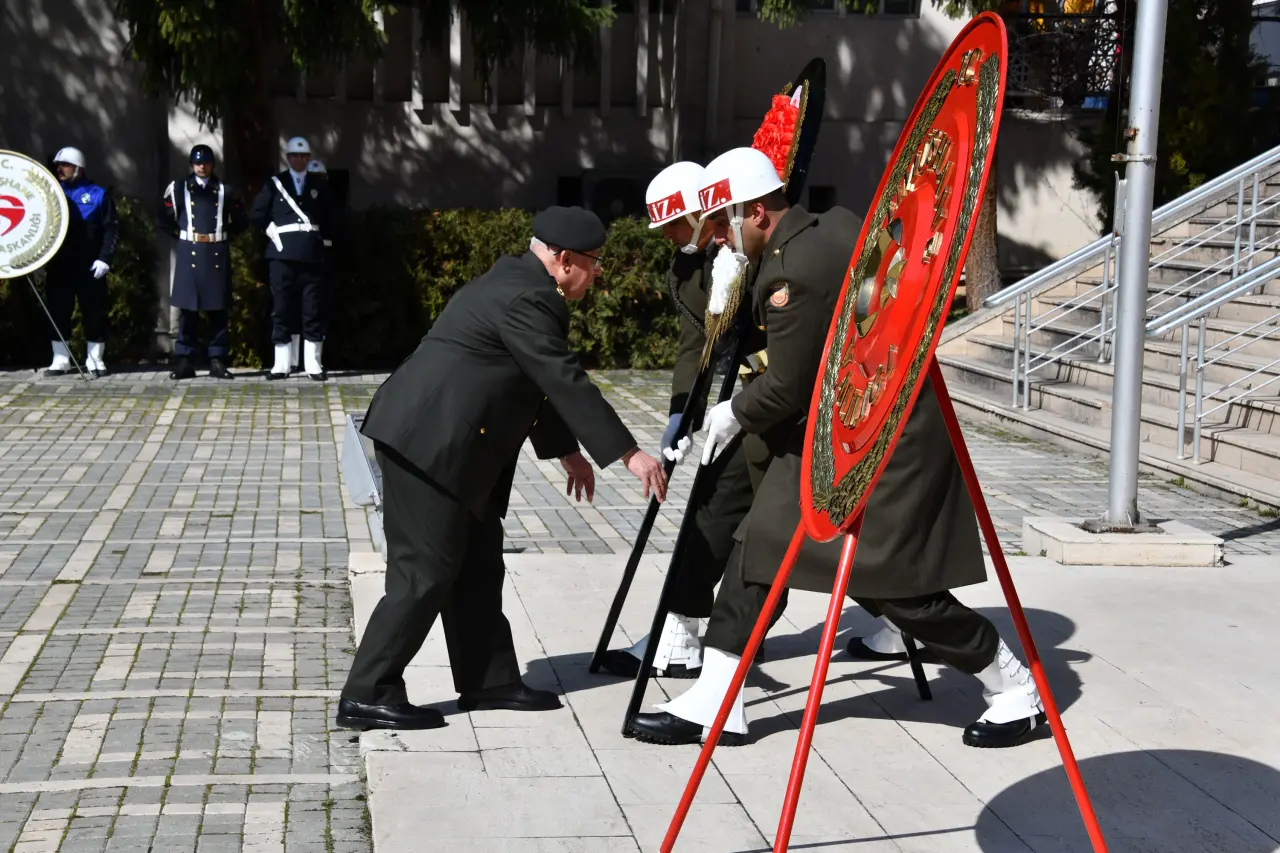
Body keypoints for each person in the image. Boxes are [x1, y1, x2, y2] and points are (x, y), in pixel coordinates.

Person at [628, 147, 1045, 750]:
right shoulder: (834, 224)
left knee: (894, 589)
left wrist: (730, 415)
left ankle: (1013, 685)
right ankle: (719, 700)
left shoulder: (787, 272)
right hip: (842, 430)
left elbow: (788, 384)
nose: (719, 238)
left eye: (726, 223)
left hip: (882, 441)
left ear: (760, 212)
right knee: (758, 546)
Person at [337, 206, 670, 732]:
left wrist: (565, 450)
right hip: (429, 447)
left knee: (477, 565)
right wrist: (629, 453)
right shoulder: (529, 297)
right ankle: (367, 693)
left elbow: (530, 378)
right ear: (564, 260)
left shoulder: (518, 282)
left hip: (453, 448)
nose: (599, 271)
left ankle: (488, 680)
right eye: (594, 261)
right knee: (424, 574)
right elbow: (563, 378)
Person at [594, 161, 762, 681]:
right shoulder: (687, 269)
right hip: (752, 402)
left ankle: (893, 619)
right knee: (711, 513)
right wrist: (680, 412)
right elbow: (697, 346)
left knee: (840, 537)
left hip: (781, 399)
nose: (667, 237)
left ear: (700, 212)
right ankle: (683, 633)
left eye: (672, 224)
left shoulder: (751, 254)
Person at [158, 144, 248, 380]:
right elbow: (165, 217)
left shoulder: (225, 190)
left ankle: (217, 361)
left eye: (206, 162)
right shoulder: (179, 188)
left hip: (216, 251)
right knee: (188, 310)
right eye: (197, 163)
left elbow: (241, 219)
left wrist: (225, 234)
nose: (201, 166)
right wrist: (181, 236)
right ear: (191, 164)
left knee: (218, 311)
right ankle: (184, 360)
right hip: (191, 250)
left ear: (212, 165)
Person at [250, 136, 335, 381]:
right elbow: (257, 214)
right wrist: (269, 229)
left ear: (309, 159)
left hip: (311, 254)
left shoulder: (318, 184)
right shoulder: (276, 184)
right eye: (295, 156)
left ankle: (313, 364)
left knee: (312, 309)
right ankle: (282, 364)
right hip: (282, 255)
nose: (299, 159)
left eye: (304, 156)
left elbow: (331, 217)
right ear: (288, 158)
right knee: (282, 309)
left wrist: (325, 244)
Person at [43, 146, 118, 378]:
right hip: (59, 264)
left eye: (64, 165)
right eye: (58, 165)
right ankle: (61, 359)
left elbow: (111, 230)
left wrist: (105, 259)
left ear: (78, 168)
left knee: (93, 312)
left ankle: (95, 358)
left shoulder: (98, 194)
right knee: (58, 309)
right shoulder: (51, 193)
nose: (59, 169)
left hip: (89, 264)